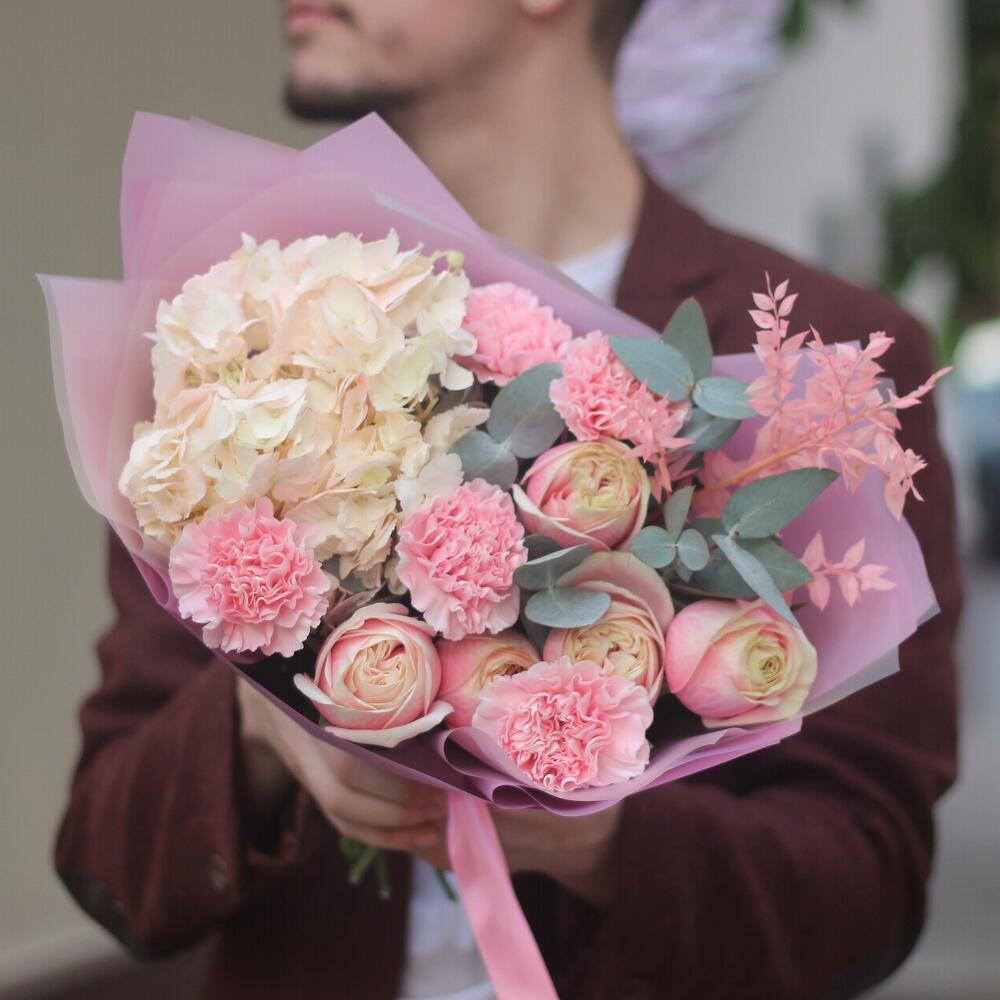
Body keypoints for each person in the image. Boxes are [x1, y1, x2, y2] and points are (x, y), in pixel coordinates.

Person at [54, 2, 961, 998]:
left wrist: (600, 845)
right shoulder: (246, 342)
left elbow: (868, 886)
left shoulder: (823, 372)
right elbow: (109, 867)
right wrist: (258, 733)